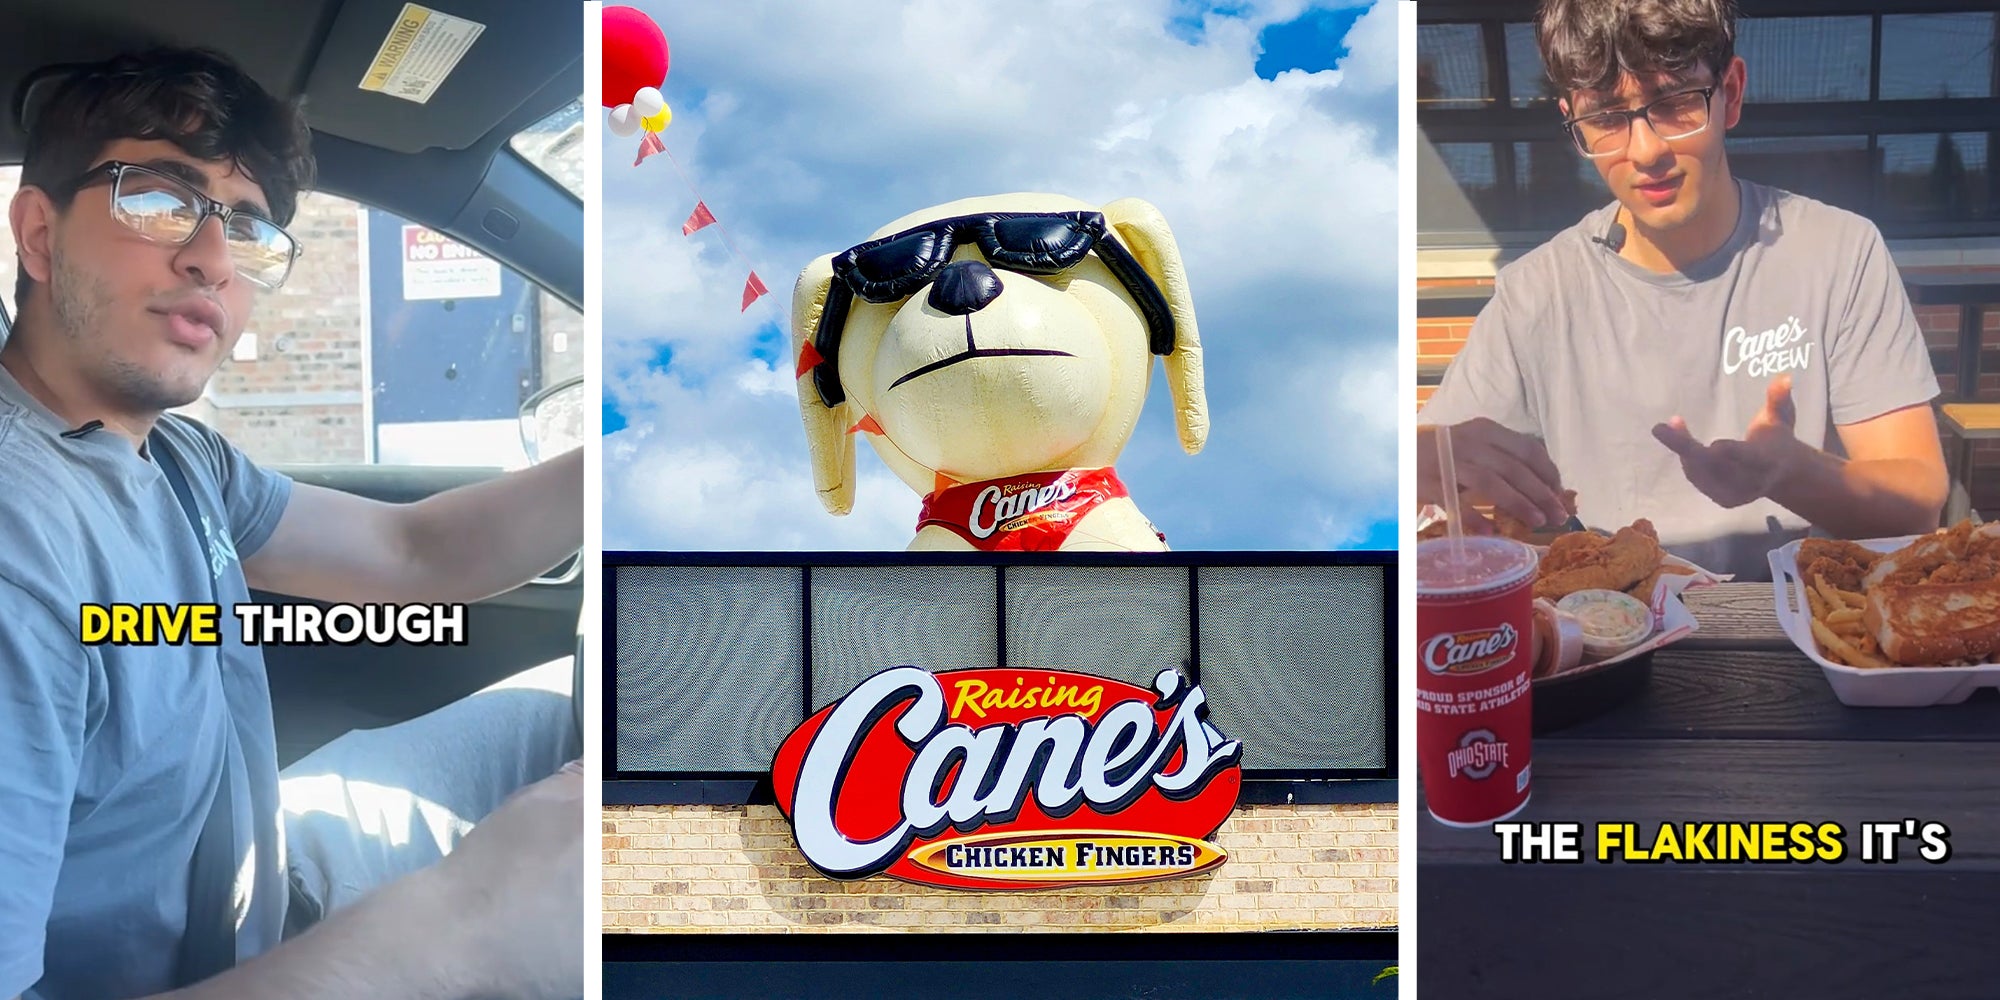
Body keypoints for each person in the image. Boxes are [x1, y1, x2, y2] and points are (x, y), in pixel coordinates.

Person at [0, 48, 583, 999]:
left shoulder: (181, 461)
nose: (214, 259)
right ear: (38, 234)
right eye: (158, 201)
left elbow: (414, 552)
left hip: (257, 885)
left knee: (563, 722)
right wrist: (459, 935)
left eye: (249, 227)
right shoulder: (20, 553)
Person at [1416, 0, 1947, 581]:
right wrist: (1427, 458)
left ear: (1732, 93)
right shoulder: (1535, 291)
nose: (1645, 151)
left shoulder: (1840, 251)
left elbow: (1919, 497)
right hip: (1607, 626)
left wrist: (1791, 472)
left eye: (1674, 104)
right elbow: (1422, 466)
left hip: (1796, 622)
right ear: (1573, 123)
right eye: (1607, 118)